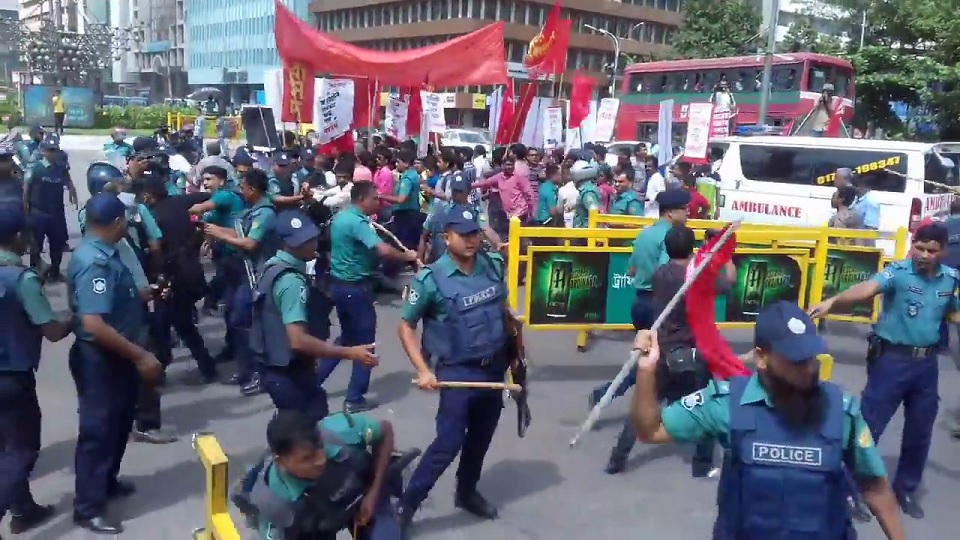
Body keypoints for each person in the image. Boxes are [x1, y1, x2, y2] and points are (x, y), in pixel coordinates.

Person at [630, 302, 905, 539]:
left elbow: (876, 488)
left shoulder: (841, 411)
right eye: (796, 360)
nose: (809, 368)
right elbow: (650, 430)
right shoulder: (726, 403)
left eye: (811, 357)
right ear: (761, 357)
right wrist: (646, 368)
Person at [808, 222, 958, 520]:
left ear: (942, 252)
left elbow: (953, 313)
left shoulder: (950, 280)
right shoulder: (898, 273)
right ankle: (847, 490)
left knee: (920, 431)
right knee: (868, 428)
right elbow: (867, 289)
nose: (923, 255)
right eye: (919, 247)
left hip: (926, 366)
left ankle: (906, 488)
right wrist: (834, 301)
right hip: (891, 361)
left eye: (931, 251)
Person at [396, 204, 512, 527]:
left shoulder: (492, 265)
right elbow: (405, 327)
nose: (471, 239)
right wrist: (423, 370)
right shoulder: (429, 280)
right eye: (463, 235)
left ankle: (466, 491)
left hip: (493, 368)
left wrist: (516, 357)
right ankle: (407, 504)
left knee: (481, 436)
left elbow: (502, 311)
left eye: (474, 233)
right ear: (446, 237)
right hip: (457, 371)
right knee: (448, 443)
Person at [68, 193, 163, 534]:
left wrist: (143, 295)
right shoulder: (96, 261)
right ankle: (88, 506)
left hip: (117, 355)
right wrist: (141, 355)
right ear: (118, 222)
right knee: (98, 431)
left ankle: (106, 481)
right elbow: (94, 324)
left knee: (119, 423)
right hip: (101, 358)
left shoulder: (106, 253)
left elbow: (112, 300)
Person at [605, 225, 733, 475]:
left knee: (643, 407)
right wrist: (724, 255)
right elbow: (729, 282)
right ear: (691, 248)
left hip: (662, 350)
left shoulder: (660, 274)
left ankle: (617, 460)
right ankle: (702, 465)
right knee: (706, 406)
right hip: (691, 353)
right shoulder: (695, 278)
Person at [252, 209, 379, 421]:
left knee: (294, 427)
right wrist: (349, 353)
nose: (313, 244)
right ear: (288, 245)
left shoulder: (271, 267)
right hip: (289, 372)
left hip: (276, 366)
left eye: (312, 238)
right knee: (309, 426)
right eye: (305, 242)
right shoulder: (291, 282)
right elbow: (298, 340)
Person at [0, 205, 73, 535]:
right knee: (22, 451)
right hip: (12, 377)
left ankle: (23, 508)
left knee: (4, 449)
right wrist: (76, 317)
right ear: (18, 237)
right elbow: (52, 331)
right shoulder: (22, 279)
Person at [316, 182, 419, 412]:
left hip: (339, 285)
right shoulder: (357, 222)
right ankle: (354, 398)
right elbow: (382, 249)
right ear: (362, 199)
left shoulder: (341, 217)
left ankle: (314, 382)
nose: (378, 202)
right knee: (366, 343)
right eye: (374, 198)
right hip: (356, 288)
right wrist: (407, 256)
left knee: (347, 339)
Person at [589, 189, 690, 408]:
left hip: (640, 304)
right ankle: (609, 395)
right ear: (671, 213)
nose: (688, 213)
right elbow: (666, 272)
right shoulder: (670, 238)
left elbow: (631, 270)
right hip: (658, 307)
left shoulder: (644, 234)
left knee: (651, 360)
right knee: (658, 360)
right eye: (684, 209)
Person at [245, 410, 400, 540]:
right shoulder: (272, 500)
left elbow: (385, 430)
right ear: (281, 462)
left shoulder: (341, 432)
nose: (320, 460)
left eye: (320, 449)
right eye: (307, 458)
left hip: (364, 498)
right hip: (316, 527)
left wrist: (374, 492)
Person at [203, 169, 278, 396]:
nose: (241, 192)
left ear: (253, 190)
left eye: (243, 188)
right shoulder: (252, 211)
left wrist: (221, 235)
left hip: (259, 276)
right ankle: (247, 369)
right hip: (247, 274)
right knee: (239, 321)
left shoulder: (265, 213)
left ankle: (258, 372)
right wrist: (217, 230)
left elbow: (250, 243)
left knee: (250, 324)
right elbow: (240, 232)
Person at [24, 135, 78, 281]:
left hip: (56, 213)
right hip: (38, 212)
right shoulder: (36, 167)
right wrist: (26, 208)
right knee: (36, 244)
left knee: (57, 243)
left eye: (55, 150)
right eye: (49, 150)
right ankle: (34, 272)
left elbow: (68, 181)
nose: (52, 153)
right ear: (43, 151)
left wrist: (73, 193)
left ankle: (55, 271)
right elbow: (26, 187)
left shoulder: (61, 167)